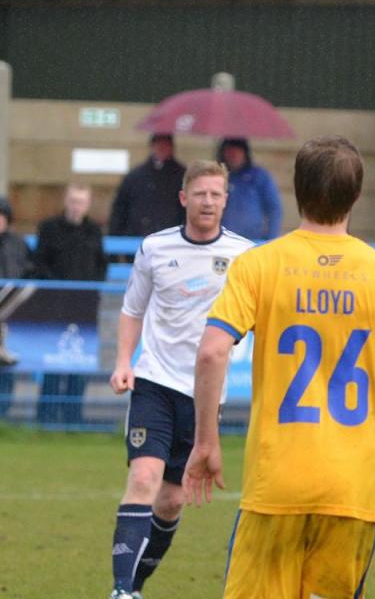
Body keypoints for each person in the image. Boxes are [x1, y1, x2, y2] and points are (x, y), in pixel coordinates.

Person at [182, 136, 375, 599]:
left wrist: (206, 442)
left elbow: (213, 352)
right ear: (355, 196)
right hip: (351, 491)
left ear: (297, 190)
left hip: (276, 484)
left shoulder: (258, 265)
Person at [107, 160, 254, 599]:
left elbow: (260, 318)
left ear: (226, 200)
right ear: (184, 198)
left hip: (206, 397)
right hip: (153, 383)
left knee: (171, 502)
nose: (208, 201)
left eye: (216, 194)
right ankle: (121, 591)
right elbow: (133, 309)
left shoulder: (245, 255)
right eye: (201, 193)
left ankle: (134, 585)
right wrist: (123, 361)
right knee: (143, 480)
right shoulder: (155, 247)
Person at [33, 182, 108, 425]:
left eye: (82, 202)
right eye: (74, 201)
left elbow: (101, 265)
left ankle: (73, 416)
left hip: (84, 306)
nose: (77, 207)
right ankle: (46, 415)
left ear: (87, 204)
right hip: (54, 305)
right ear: (66, 201)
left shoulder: (94, 231)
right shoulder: (49, 228)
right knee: (52, 360)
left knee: (80, 361)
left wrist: (89, 290)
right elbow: (40, 264)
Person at [109, 134, 186, 237]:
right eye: (158, 145)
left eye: (165, 145)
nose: (161, 149)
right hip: (137, 237)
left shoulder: (183, 176)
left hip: (171, 236)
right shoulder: (134, 176)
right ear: (152, 147)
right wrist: (116, 236)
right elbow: (120, 208)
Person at [217, 137, 283, 240]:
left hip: (253, 240)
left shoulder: (259, 176)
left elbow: (274, 208)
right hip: (224, 240)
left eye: (237, 153)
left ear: (245, 154)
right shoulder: (217, 177)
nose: (233, 157)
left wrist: (271, 238)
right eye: (229, 152)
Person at [0, 196, 31, 415]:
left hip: (11, 310)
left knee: (6, 365)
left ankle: (4, 411)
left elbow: (29, 271)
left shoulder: (17, 243)